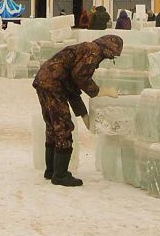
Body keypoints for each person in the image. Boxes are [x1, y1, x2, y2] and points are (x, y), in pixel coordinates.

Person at [33, 35, 123, 187]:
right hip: (53, 84)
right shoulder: (93, 51)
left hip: (44, 80)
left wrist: (84, 115)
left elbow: (72, 87)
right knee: (63, 126)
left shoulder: (85, 49)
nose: (111, 58)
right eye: (113, 55)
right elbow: (80, 76)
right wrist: (99, 91)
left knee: (53, 125)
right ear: (109, 49)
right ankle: (60, 175)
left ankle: (52, 170)